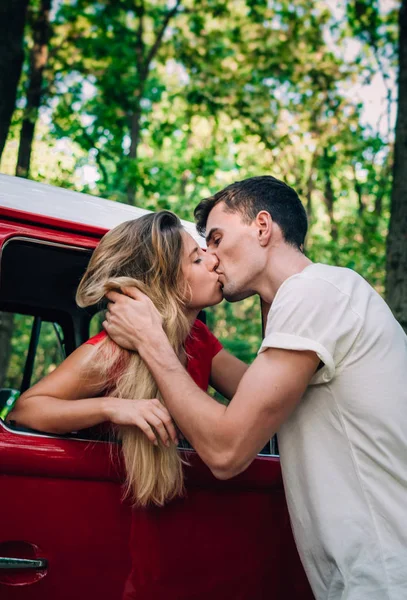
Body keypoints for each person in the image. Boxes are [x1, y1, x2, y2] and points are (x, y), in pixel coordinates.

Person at [104, 175, 407, 600]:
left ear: (262, 228)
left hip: (387, 577)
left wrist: (152, 341)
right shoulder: (315, 300)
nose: (210, 256)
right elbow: (252, 398)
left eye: (216, 237)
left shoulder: (313, 291)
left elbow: (227, 450)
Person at [8, 210, 247, 508]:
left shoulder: (199, 339)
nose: (213, 260)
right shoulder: (114, 352)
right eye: (196, 259)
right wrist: (114, 407)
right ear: (164, 283)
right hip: (105, 506)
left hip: (180, 503)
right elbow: (24, 411)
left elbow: (255, 394)